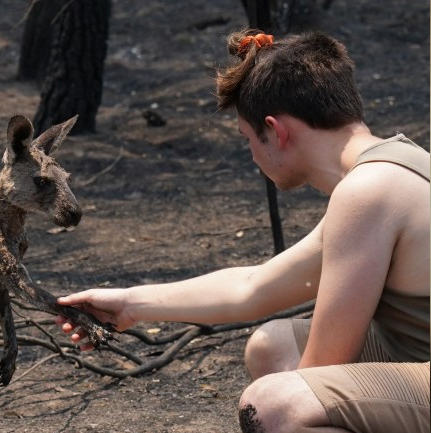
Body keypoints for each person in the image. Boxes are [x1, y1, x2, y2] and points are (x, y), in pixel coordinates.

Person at [56, 29, 430, 433]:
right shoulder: (395, 162)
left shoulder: (366, 193)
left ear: (277, 130)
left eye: (248, 138)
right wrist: (130, 304)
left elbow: (321, 368)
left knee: (273, 405)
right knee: (273, 347)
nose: (252, 154)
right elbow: (253, 286)